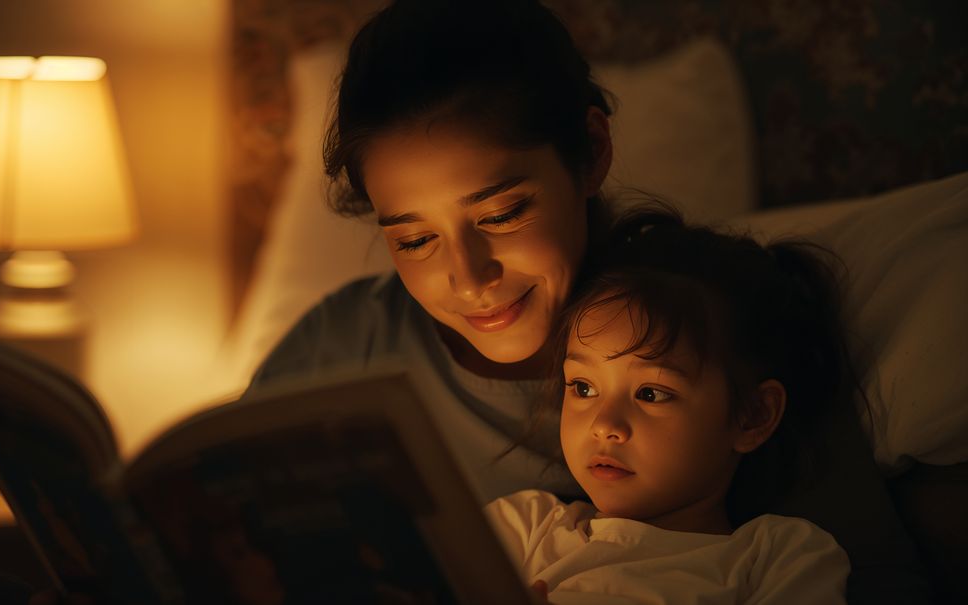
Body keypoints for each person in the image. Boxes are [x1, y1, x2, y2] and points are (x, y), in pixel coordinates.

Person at [245, 1, 929, 602]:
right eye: (416, 238)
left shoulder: (709, 328)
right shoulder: (334, 347)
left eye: (504, 212)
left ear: (592, 150)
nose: (470, 276)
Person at [486, 207, 853, 603]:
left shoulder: (775, 557)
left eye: (651, 394)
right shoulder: (524, 528)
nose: (603, 424)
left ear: (753, 416)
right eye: (583, 387)